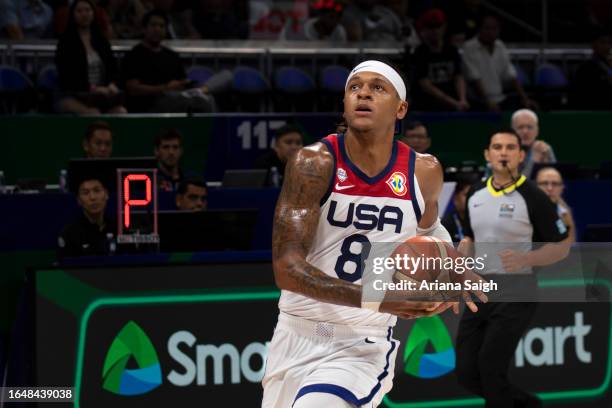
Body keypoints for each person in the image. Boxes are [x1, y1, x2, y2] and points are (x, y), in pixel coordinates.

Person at [262, 60, 486, 408]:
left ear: (401, 108)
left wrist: (451, 259)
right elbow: (286, 268)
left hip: (361, 343)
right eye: (355, 87)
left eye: (377, 87)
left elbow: (428, 229)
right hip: (294, 332)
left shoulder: (424, 171)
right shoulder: (314, 162)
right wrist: (377, 297)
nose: (363, 92)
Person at [455, 130, 570, 408]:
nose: (503, 152)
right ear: (487, 154)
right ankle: (528, 404)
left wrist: (527, 259)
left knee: (491, 368)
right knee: (466, 372)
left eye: (510, 147)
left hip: (517, 290)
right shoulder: (475, 193)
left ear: (520, 155)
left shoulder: (534, 196)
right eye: (497, 147)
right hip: (481, 289)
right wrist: (458, 267)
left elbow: (561, 245)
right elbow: (470, 237)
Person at [122, 10, 231, 113]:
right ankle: (200, 95)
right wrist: (165, 88)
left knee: (226, 76)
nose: (157, 29)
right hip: (153, 101)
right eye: (153, 25)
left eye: (162, 26)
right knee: (205, 101)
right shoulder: (134, 55)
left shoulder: (171, 55)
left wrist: (185, 84)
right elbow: (133, 89)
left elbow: (182, 81)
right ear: (144, 29)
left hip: (179, 95)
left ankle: (201, 90)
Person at [55, 0, 126, 114]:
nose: (84, 14)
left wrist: (112, 84)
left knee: (120, 111)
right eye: (79, 11)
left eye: (88, 10)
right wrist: (93, 89)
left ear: (93, 13)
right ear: (73, 15)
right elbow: (67, 77)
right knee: (92, 112)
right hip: (72, 95)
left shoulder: (101, 41)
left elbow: (112, 69)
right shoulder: (66, 43)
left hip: (101, 96)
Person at [462, 15, 537, 111]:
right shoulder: (469, 48)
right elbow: (475, 79)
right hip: (478, 101)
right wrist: (488, 103)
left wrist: (525, 99)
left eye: (494, 28)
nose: (491, 32)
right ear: (479, 29)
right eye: (487, 28)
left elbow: (511, 75)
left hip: (500, 99)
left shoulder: (500, 46)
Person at [410, 9, 469, 111]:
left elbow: (458, 77)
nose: (435, 31)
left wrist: (462, 99)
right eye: (431, 27)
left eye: (438, 26)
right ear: (424, 29)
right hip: (428, 106)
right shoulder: (420, 53)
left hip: (454, 103)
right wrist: (453, 102)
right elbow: (425, 85)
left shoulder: (451, 50)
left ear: (444, 27)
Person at [58, 178, 116, 258]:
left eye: (97, 190)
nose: (92, 197)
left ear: (106, 194)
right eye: (85, 193)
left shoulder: (119, 229)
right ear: (79, 200)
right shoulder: (69, 234)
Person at [571, 29, 612, 110]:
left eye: (609, 43)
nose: (606, 47)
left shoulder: (609, 65)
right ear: (593, 44)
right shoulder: (585, 68)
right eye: (602, 42)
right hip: (593, 111)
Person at [511, 109, 556, 178]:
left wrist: (547, 164)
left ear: (537, 130)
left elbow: (555, 180)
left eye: (529, 127)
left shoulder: (543, 148)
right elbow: (517, 185)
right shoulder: (507, 151)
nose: (525, 131)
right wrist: (534, 160)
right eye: (520, 127)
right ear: (512, 131)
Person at [535, 167, 575, 243]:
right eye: (544, 183)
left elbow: (570, 245)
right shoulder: (525, 211)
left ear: (562, 188)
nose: (550, 188)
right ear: (535, 187)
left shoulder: (565, 213)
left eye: (555, 184)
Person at [155, 128, 192, 192]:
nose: (171, 152)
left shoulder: (190, 180)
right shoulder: (151, 180)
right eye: (166, 147)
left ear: (181, 151)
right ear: (157, 151)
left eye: (175, 147)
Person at [441, 176, 475, 242]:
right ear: (456, 198)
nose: (470, 198)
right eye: (466, 195)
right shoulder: (446, 223)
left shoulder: (479, 220)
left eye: (472, 195)